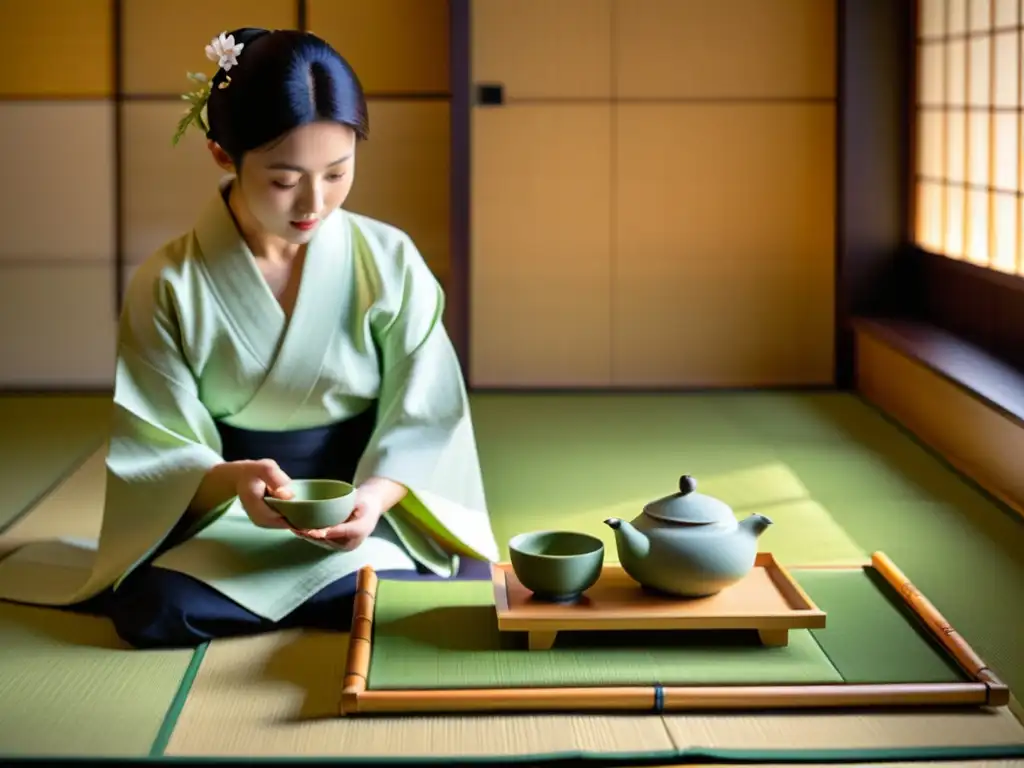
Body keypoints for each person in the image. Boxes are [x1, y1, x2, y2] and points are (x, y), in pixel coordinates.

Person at [0, 28, 500, 649]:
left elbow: (427, 417)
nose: (315, 202)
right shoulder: (169, 283)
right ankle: (346, 596)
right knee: (155, 609)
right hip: (229, 515)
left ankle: (344, 583)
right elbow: (159, 444)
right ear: (222, 154)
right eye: (285, 179)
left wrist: (372, 498)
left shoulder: (390, 260)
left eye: (338, 172)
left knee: (458, 582)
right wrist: (233, 480)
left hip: (362, 512)